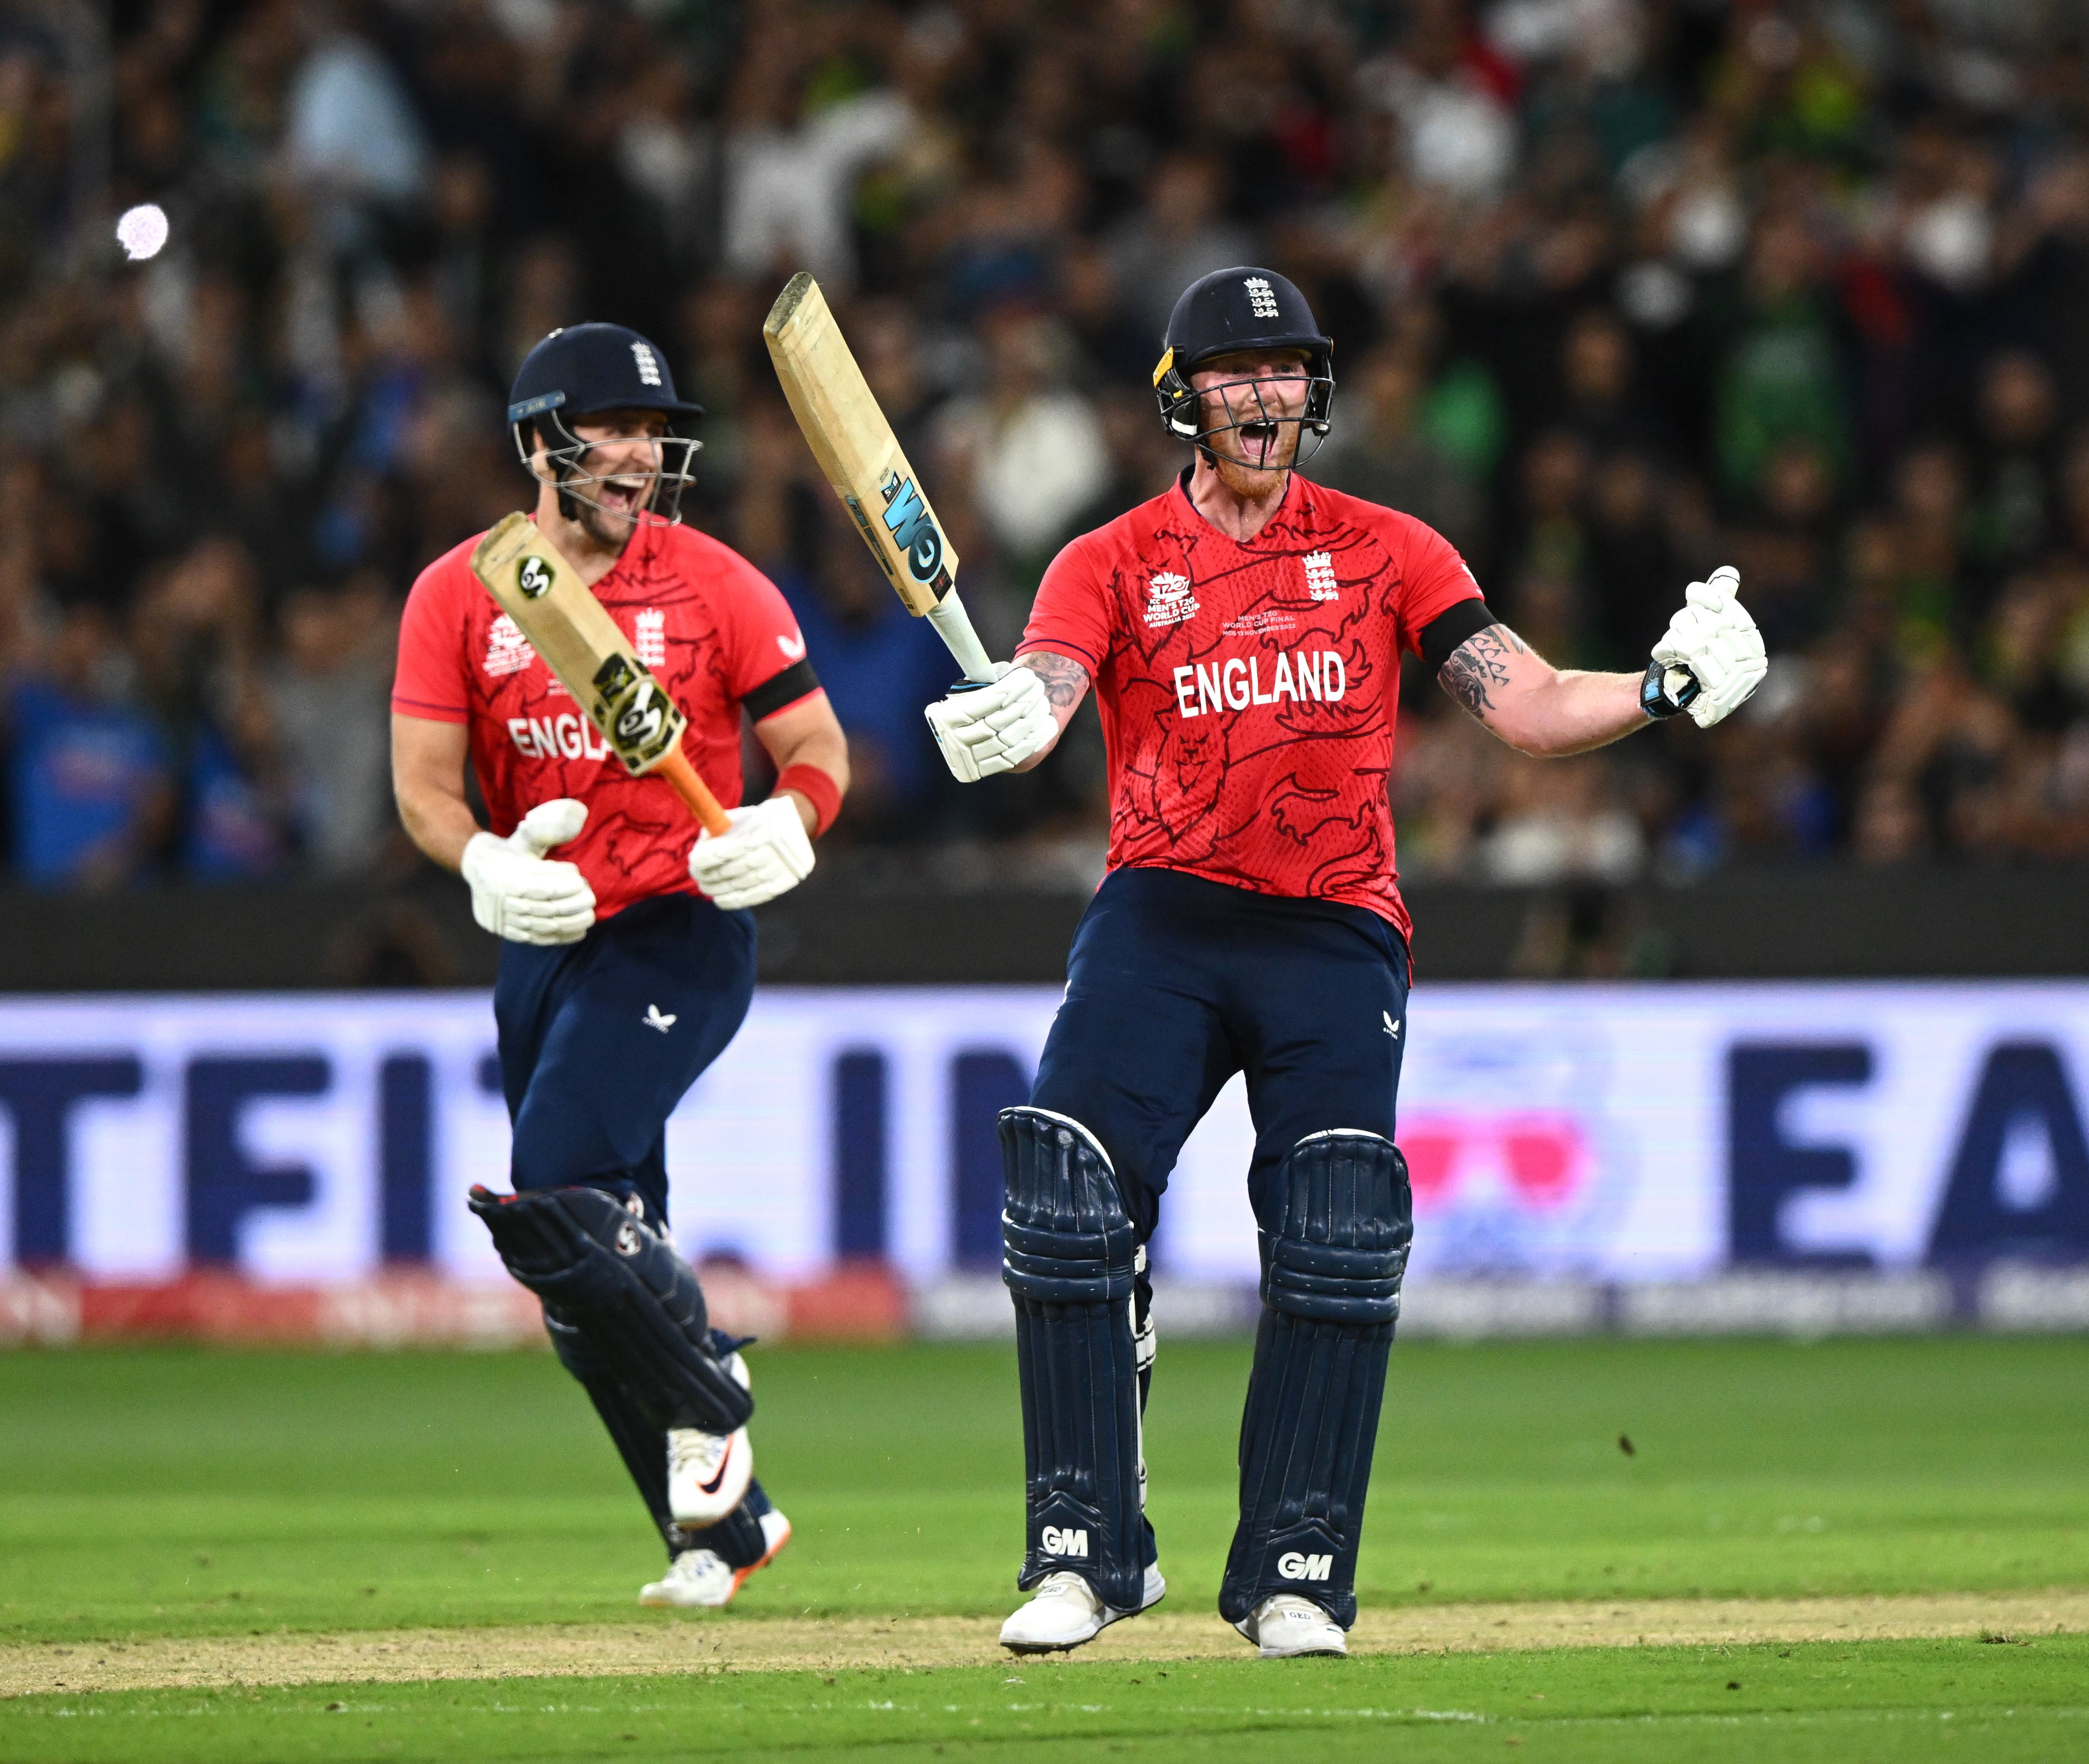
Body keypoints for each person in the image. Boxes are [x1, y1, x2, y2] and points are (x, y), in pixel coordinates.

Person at [923, 268, 1766, 1659]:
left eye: (1283, 369)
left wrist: (1665, 689)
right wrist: (1006, 718)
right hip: (1161, 913)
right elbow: (1044, 705)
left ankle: (1297, 1571)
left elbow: (1535, 705)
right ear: (1181, 393)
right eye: (1233, 371)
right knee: (1071, 1190)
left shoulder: (1392, 548)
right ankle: (1086, 1551)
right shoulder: (1109, 560)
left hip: (1334, 928)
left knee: (1335, 1225)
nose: (1261, 395)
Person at [389, 323, 850, 1609]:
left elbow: (818, 748)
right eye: (615, 429)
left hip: (678, 927)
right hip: (542, 939)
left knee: (557, 1181)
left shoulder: (718, 584)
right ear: (543, 440)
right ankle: (719, 1528)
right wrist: (483, 860)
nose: (644, 454)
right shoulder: (460, 592)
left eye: (656, 430)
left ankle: (707, 1373)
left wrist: (786, 821)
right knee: (586, 1274)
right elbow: (422, 787)